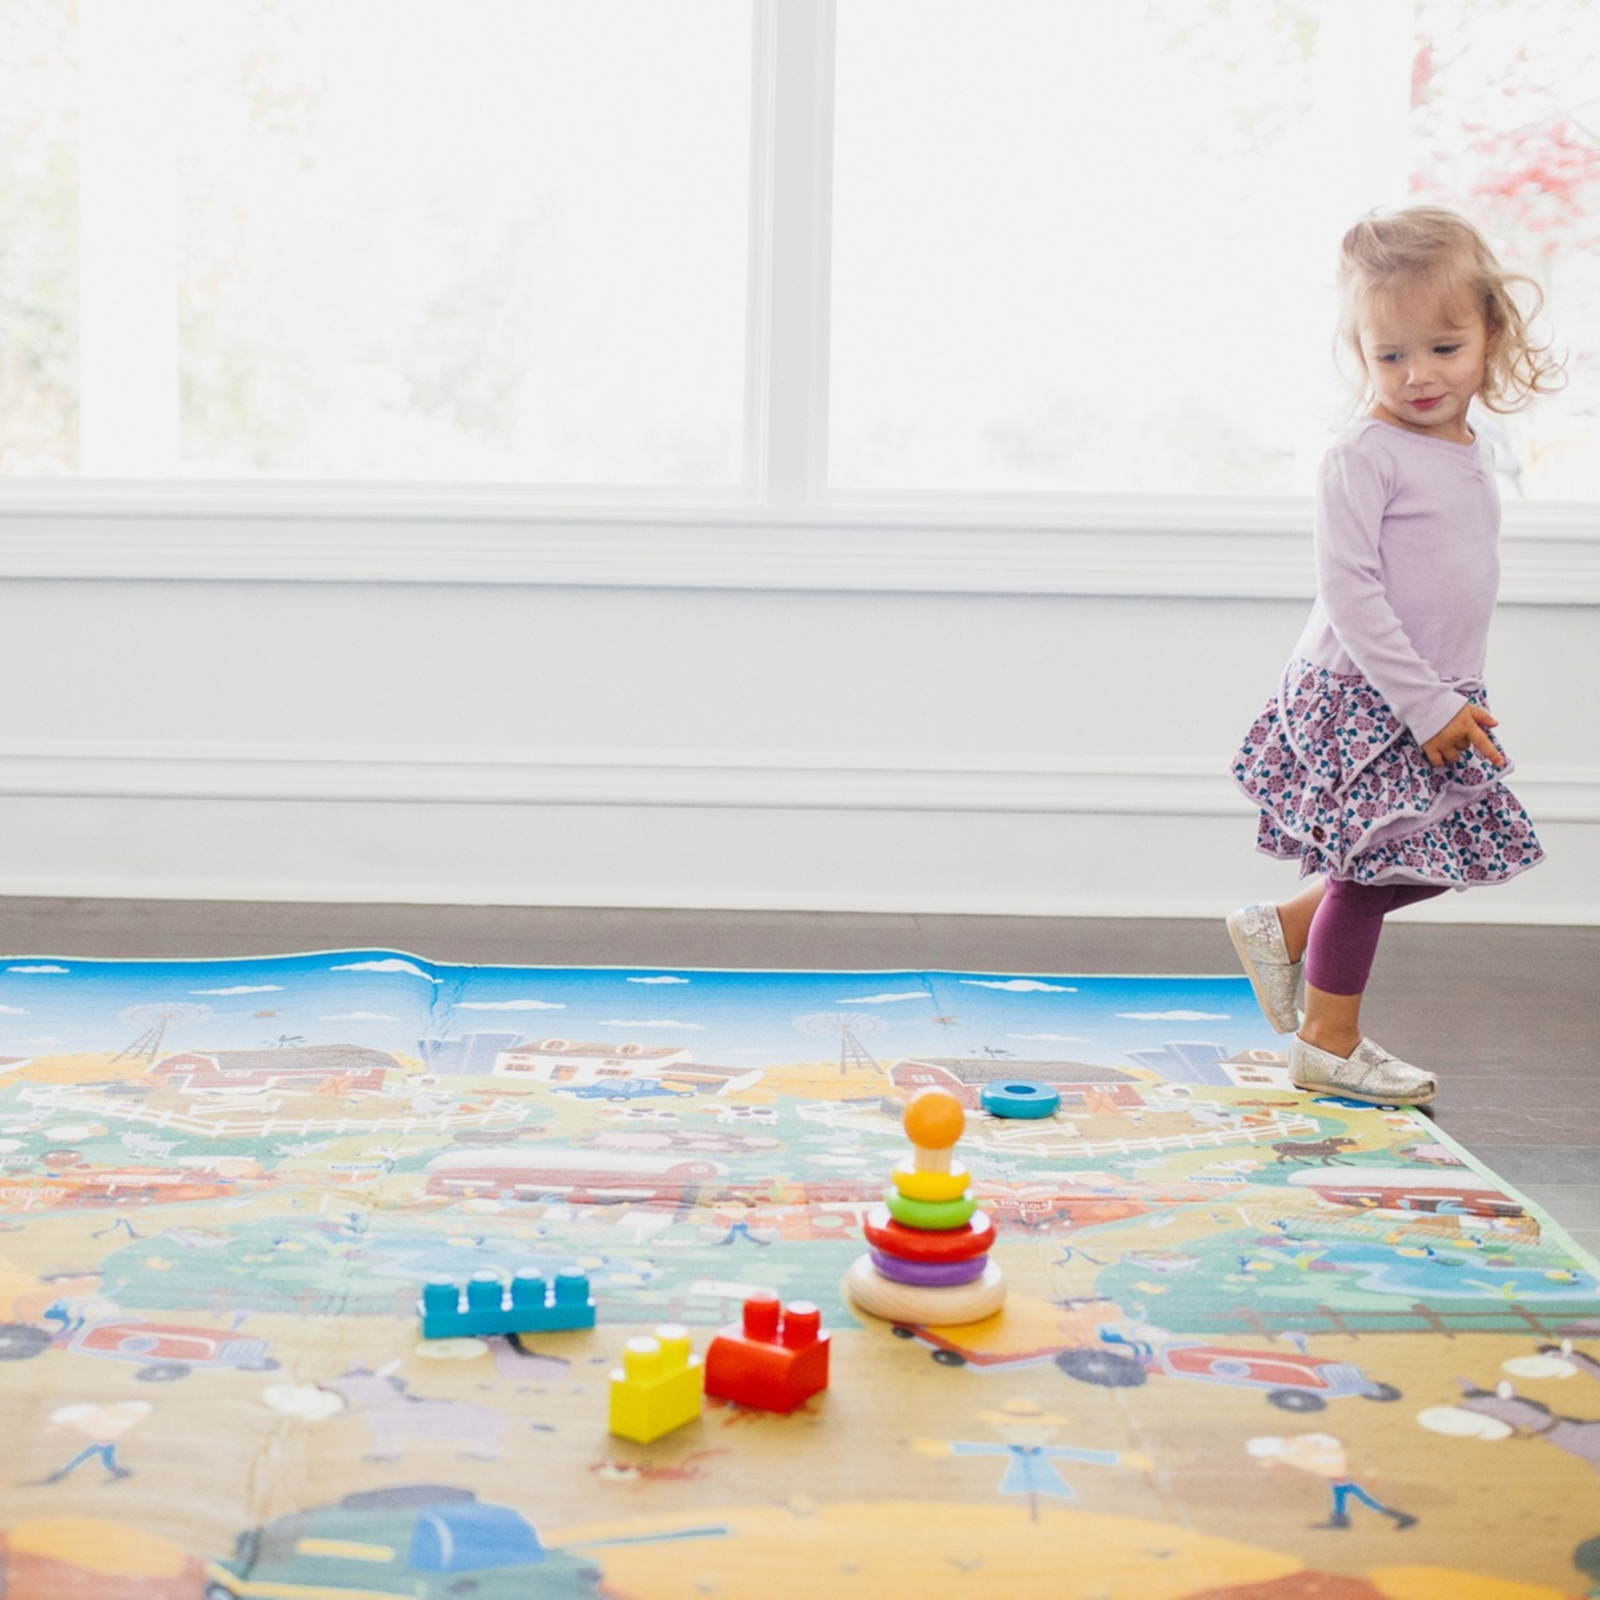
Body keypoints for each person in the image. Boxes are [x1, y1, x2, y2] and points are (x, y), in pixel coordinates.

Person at [1228, 206, 1563, 1106]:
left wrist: (1447, 695)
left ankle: (1285, 927)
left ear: (1491, 334)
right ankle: (1328, 1041)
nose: (1419, 375)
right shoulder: (1362, 455)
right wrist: (1426, 704)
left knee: (1440, 852)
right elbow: (1352, 595)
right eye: (1390, 355)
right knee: (1372, 874)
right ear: (1360, 352)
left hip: (1432, 693)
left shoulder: (1468, 446)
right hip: (1365, 696)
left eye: (1444, 348)